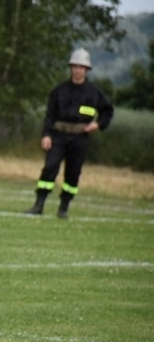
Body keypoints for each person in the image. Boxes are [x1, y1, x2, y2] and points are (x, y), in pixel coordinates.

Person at [25, 48, 113, 219]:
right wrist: (46, 135)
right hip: (58, 136)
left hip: (80, 138)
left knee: (73, 173)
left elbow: (107, 111)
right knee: (49, 168)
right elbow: (50, 115)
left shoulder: (93, 93)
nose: (77, 70)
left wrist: (98, 124)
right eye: (75, 66)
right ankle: (39, 204)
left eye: (81, 67)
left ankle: (64, 208)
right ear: (71, 68)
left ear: (86, 70)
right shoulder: (59, 90)